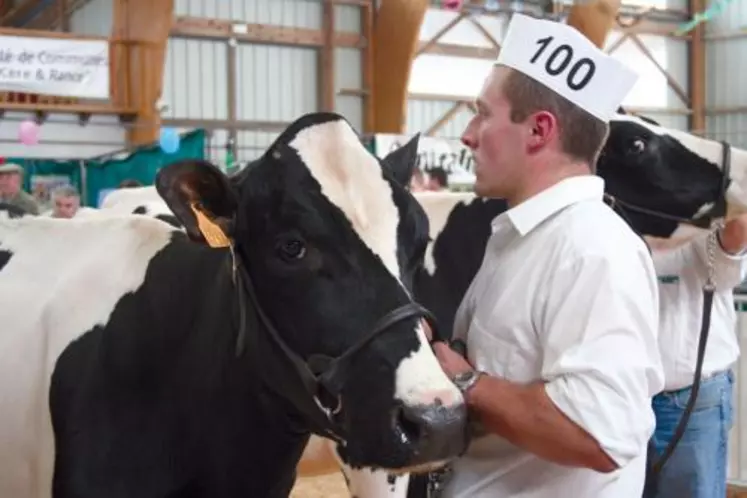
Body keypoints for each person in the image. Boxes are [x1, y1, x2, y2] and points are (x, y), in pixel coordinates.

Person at [430, 13, 664, 498]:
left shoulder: (592, 250)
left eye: (483, 113)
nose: (468, 135)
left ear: (538, 130)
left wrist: (468, 382)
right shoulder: (525, 236)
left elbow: (598, 435)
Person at [641, 220, 747, 498]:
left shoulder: (706, 231)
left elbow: (737, 234)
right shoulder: (615, 229)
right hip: (630, 396)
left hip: (693, 399)